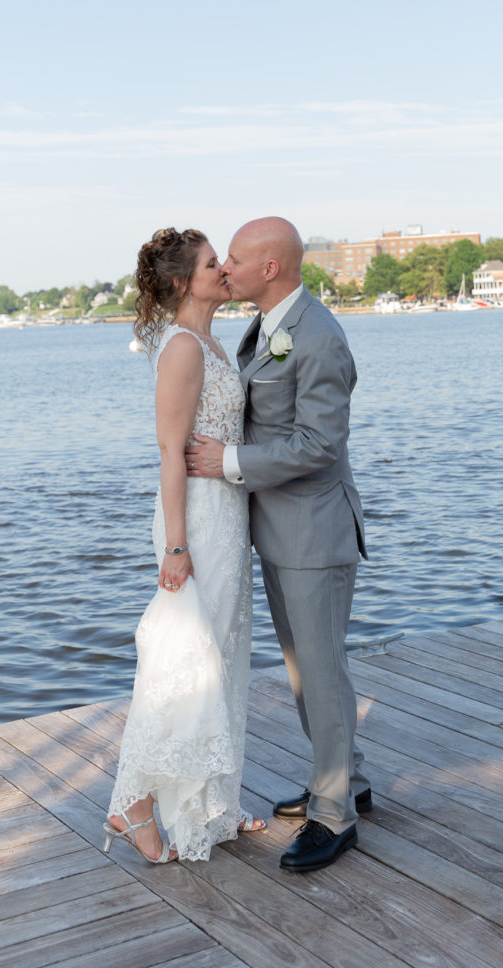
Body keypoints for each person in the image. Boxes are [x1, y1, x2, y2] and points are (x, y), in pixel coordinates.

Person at [185, 216, 370, 873]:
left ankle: (333, 816)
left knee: (318, 672)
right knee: (306, 671)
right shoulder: (268, 324)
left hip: (314, 533)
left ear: (270, 269)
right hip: (279, 530)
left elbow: (320, 445)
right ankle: (346, 777)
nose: (225, 267)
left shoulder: (317, 336)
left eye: (234, 258)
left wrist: (228, 462)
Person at [104, 227, 265, 865]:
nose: (224, 269)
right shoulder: (182, 349)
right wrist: (176, 546)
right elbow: (170, 453)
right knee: (185, 662)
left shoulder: (213, 342)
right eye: (209, 264)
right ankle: (134, 804)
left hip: (226, 514)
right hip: (193, 522)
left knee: (220, 657)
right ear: (181, 283)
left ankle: (211, 806)